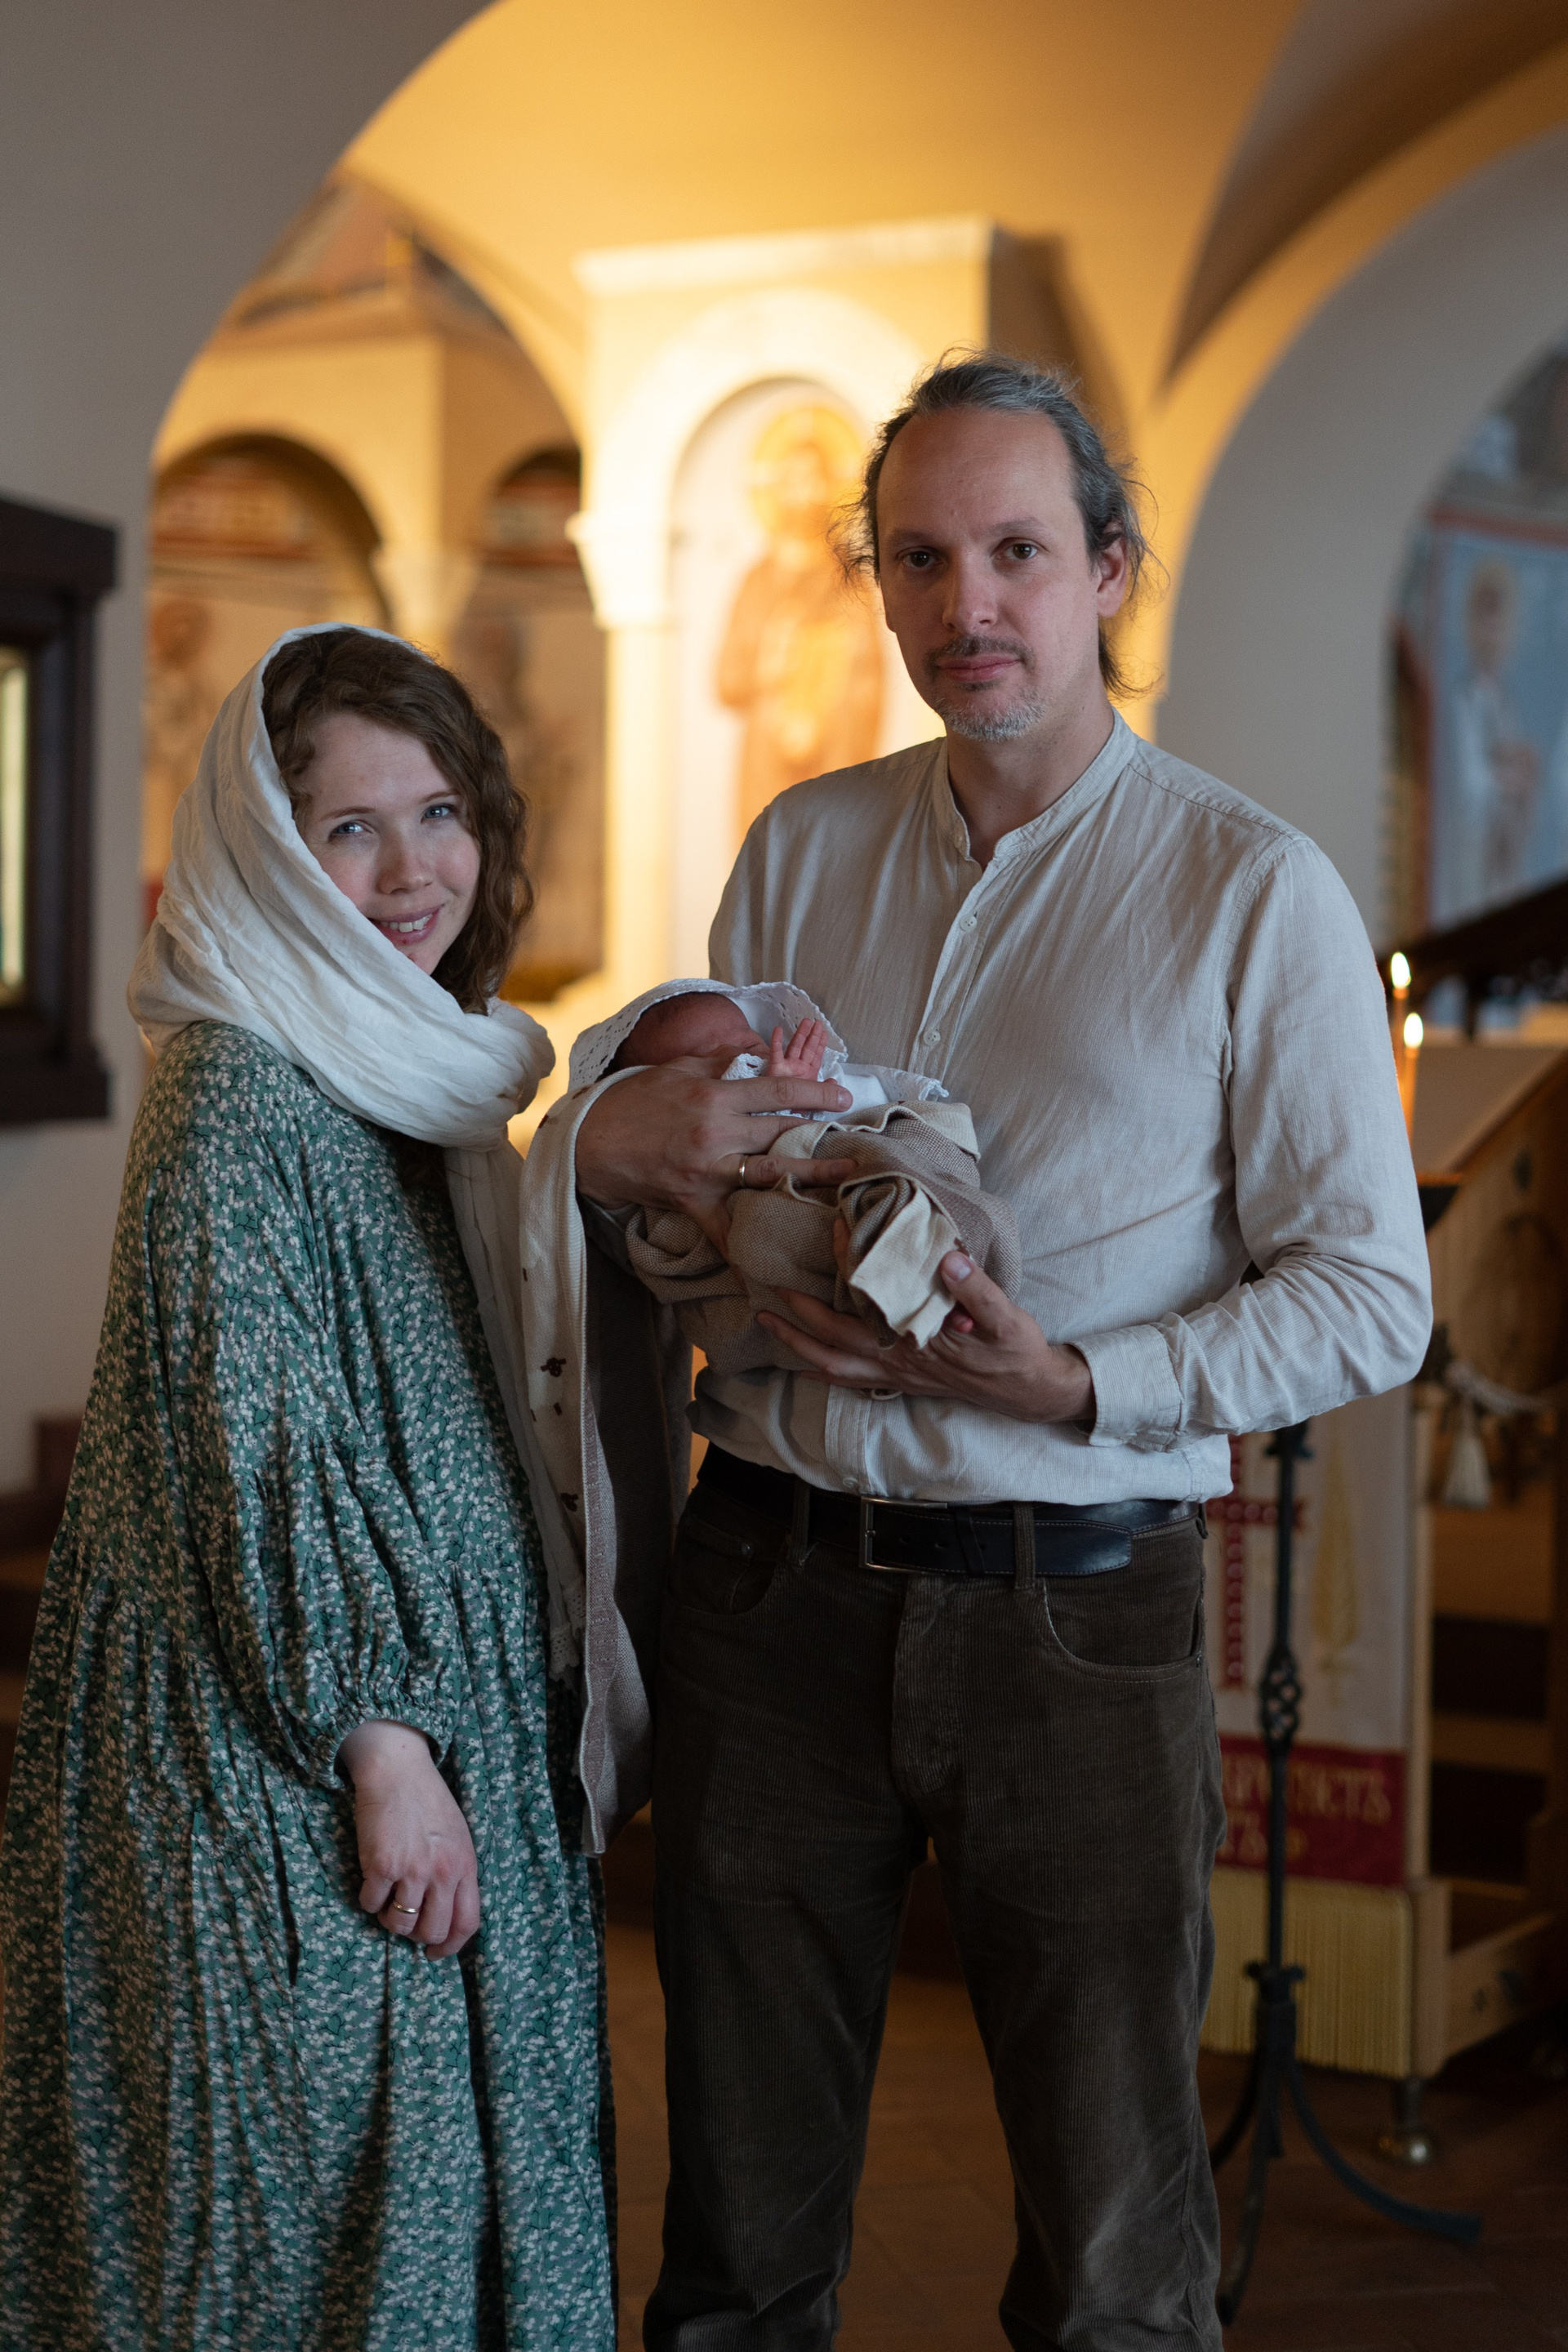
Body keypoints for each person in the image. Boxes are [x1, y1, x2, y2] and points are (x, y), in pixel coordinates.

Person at [564, 355, 1432, 2350]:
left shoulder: (1251, 887)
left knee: (1115, 2264)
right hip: (769, 1581)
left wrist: (1084, 1386)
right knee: (735, 2249)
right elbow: (710, 1176)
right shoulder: (799, 846)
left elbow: (1371, 1294)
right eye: (923, 559)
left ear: (1107, 568)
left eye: (1019, 551)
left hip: (1074, 1611)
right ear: (878, 585)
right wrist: (675, 1217)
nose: (971, 604)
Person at [0, 626, 614, 2349]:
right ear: (268, 853)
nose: (412, 871)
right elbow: (263, 1452)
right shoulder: (237, 1095)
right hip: (284, 1781)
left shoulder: (411, 1080)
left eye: (439, 813)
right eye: (349, 829)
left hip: (405, 1745)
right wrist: (385, 1751)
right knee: (302, 2249)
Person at [581, 979, 1019, 1370]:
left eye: (749, 1044)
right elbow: (715, 1150)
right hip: (770, 1227)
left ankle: (932, 1262)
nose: (738, 1059)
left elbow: (842, 1118)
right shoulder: (673, 1148)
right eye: (703, 1060)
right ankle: (905, 1288)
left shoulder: (804, 1077)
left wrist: (796, 1095)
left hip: (847, 1178)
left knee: (906, 1145)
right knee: (757, 1227)